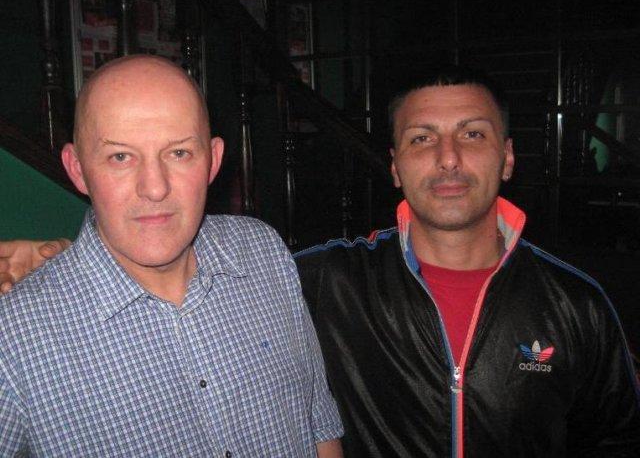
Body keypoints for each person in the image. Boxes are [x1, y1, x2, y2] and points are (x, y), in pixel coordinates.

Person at [3, 65, 640, 457]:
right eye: (422, 138)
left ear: (508, 156)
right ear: (395, 165)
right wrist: (52, 260)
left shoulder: (577, 304)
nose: (448, 159)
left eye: (472, 134)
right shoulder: (328, 277)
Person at [0, 55, 343, 457]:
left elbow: (318, 425)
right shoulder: (14, 336)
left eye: (179, 153)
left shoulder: (263, 253)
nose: (155, 187)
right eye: (120, 157)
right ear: (77, 170)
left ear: (213, 160)